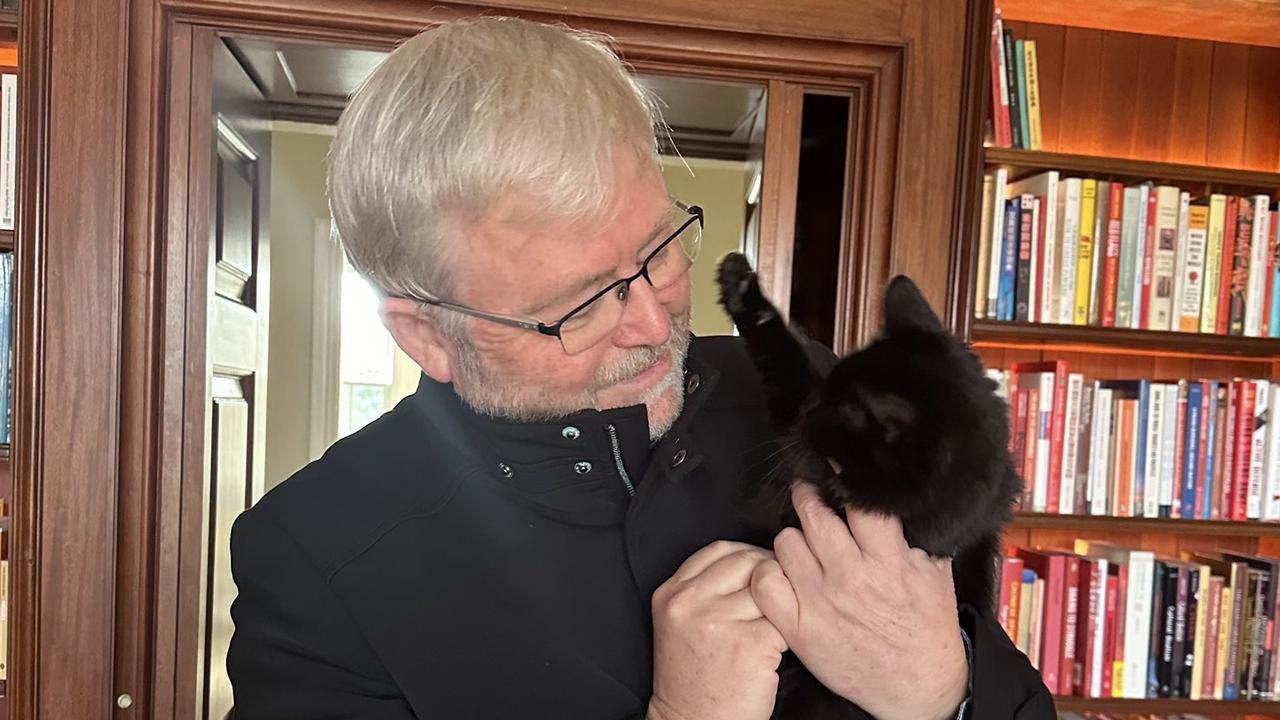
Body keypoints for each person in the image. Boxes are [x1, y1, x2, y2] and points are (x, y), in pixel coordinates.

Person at [227, 16, 1054, 720]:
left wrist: (941, 688)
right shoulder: (314, 558)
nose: (656, 325)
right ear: (428, 337)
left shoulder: (823, 407)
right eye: (581, 305)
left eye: (659, 250)